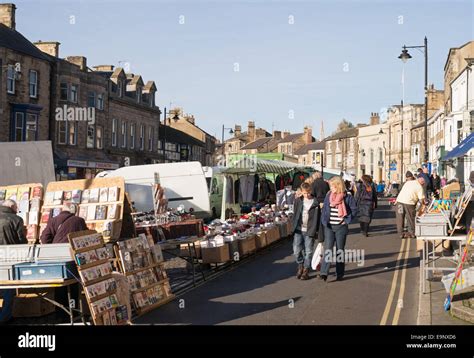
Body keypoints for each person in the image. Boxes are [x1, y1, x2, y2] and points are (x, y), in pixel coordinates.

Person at [319, 176, 357, 281]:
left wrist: (347, 220)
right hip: (329, 227)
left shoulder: (348, 197)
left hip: (341, 227)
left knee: (340, 250)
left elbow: (354, 209)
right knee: (328, 249)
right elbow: (325, 209)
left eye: (332, 186)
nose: (331, 188)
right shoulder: (329, 196)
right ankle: (324, 273)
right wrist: (324, 221)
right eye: (330, 186)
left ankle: (339, 273)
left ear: (338, 186)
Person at [0, 200, 27, 323]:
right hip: (9, 257)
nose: (17, 210)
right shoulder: (16, 219)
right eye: (16, 207)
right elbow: (21, 241)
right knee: (8, 288)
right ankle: (5, 316)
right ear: (11, 207)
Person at [291, 182, 319, 280]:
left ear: (310, 191)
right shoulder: (298, 200)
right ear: (301, 192)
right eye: (304, 193)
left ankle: (306, 270)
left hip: (310, 229)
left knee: (309, 251)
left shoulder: (315, 202)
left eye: (308, 193)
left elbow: (318, 218)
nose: (306, 195)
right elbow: (295, 214)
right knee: (296, 250)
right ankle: (300, 265)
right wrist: (293, 226)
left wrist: (317, 230)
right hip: (299, 229)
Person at [395, 171, 426, 239]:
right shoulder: (419, 187)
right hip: (409, 203)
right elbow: (421, 200)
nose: (423, 185)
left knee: (400, 217)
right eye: (423, 184)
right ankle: (411, 233)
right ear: (422, 183)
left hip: (399, 202)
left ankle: (400, 233)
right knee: (410, 217)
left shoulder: (408, 182)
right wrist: (422, 206)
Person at [310, 171, 330, 245]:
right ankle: (325, 234)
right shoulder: (326, 183)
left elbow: (312, 194)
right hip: (325, 202)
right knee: (324, 219)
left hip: (317, 203)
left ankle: (320, 236)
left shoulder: (313, 184)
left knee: (318, 219)